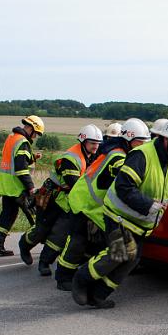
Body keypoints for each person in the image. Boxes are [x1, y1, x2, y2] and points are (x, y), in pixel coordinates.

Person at [71, 119, 168, 309]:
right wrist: (148, 205)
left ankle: (99, 294)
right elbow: (123, 187)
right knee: (120, 254)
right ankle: (81, 278)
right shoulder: (142, 156)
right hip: (118, 215)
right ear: (165, 139)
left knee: (133, 259)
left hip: (138, 222)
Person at [54, 119, 150, 290]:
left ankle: (88, 275)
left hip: (95, 207)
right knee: (77, 241)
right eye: (140, 142)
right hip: (84, 202)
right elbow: (125, 178)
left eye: (145, 143)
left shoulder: (119, 151)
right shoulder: (118, 156)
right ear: (129, 139)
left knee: (98, 244)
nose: (142, 146)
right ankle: (63, 277)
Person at [19, 124, 102, 276]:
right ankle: (24, 245)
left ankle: (44, 262)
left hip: (69, 202)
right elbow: (75, 184)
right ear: (83, 141)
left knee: (60, 234)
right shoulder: (70, 158)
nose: (96, 146)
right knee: (41, 230)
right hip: (52, 198)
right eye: (92, 143)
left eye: (97, 143)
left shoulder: (93, 156)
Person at [0, 115, 44, 257]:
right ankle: (46, 247)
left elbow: (16, 160)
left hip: (6, 185)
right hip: (17, 187)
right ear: (31, 129)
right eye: (36, 134)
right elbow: (21, 168)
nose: (36, 137)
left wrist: (33, 158)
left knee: (7, 216)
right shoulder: (23, 142)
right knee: (36, 216)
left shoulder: (12, 138)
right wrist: (31, 187)